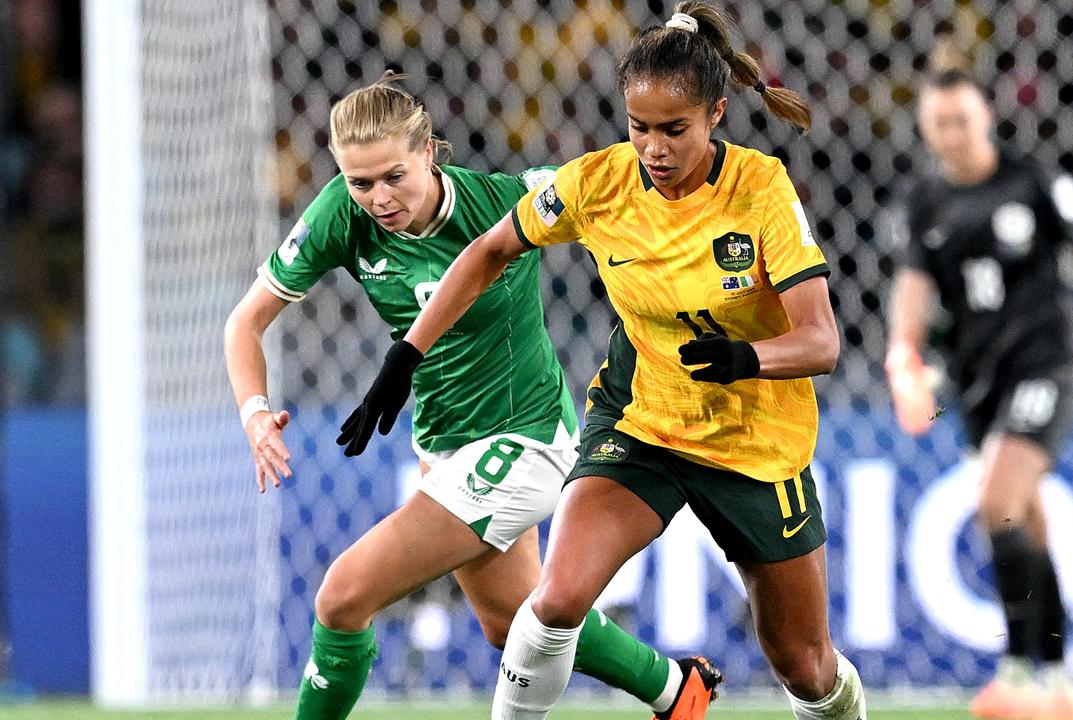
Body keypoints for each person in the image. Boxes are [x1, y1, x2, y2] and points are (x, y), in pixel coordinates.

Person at [338, 5, 867, 720]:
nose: (653, 147)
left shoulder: (760, 188)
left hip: (756, 445)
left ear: (715, 114)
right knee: (554, 601)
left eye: (673, 129)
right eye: (638, 127)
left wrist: (747, 357)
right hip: (643, 426)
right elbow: (491, 249)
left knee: (804, 667)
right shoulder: (596, 183)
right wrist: (407, 353)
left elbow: (822, 341)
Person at [224, 72, 722, 720]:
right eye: (359, 181)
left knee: (342, 597)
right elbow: (245, 322)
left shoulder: (506, 201)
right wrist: (255, 414)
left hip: (527, 441)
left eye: (393, 176)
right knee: (511, 621)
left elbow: (618, 181)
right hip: (443, 445)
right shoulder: (340, 216)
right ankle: (674, 691)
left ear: (428, 153)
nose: (377, 197)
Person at [885, 53, 1073, 720]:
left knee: (999, 503)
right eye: (939, 123)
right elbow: (912, 284)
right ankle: (1057, 680)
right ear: (926, 128)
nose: (952, 133)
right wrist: (902, 356)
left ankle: (1019, 673)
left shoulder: (1034, 181)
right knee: (1028, 519)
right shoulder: (924, 202)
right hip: (976, 381)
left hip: (1046, 365)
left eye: (961, 119)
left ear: (986, 116)